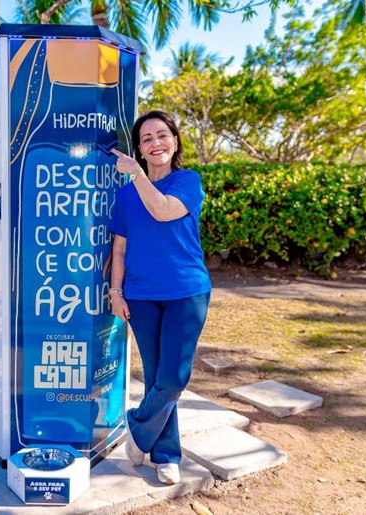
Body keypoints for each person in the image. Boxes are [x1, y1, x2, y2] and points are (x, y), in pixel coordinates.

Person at [108, 110, 211, 485]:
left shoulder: (188, 182)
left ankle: (137, 431)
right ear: (138, 147)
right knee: (156, 379)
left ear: (175, 141)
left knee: (173, 378)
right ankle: (166, 455)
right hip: (142, 296)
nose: (156, 143)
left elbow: (164, 211)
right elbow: (119, 248)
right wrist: (115, 292)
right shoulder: (125, 196)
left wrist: (136, 174)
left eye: (162, 135)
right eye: (147, 138)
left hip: (187, 292)